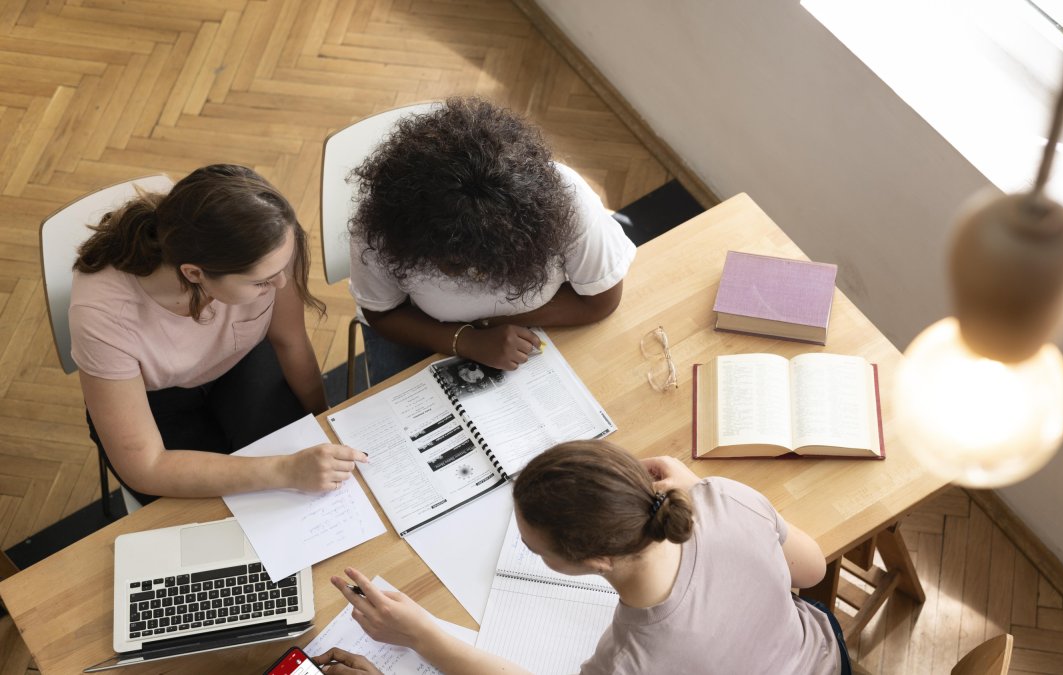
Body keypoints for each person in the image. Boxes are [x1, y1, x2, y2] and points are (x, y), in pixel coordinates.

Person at [313, 440, 851, 674]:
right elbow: (810, 570)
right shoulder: (725, 497)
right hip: (827, 659)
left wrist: (422, 634)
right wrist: (701, 486)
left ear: (597, 561)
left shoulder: (631, 660)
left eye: (533, 548)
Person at [70, 164, 367, 503]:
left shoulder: (271, 243)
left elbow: (290, 340)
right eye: (261, 282)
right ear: (194, 273)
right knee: (218, 510)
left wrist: (321, 421)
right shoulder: (101, 316)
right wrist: (285, 470)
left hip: (239, 363)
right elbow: (147, 466)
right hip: (156, 399)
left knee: (299, 486)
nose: (281, 284)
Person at [347, 97, 636, 378]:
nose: (471, 274)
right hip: (422, 332)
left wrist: (489, 326)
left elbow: (601, 301)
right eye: (452, 261)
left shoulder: (567, 200)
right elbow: (381, 315)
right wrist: (467, 341)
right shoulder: (382, 225)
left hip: (536, 336)